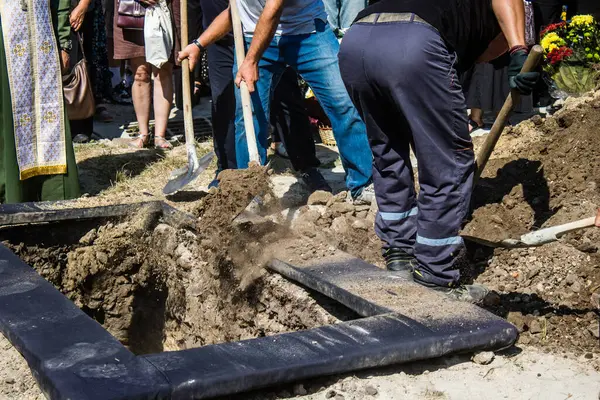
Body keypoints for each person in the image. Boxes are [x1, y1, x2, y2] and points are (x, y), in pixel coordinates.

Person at [338, 0, 539, 302]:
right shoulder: (512, 14)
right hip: (413, 43)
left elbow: (479, 54)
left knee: (388, 150)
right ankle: (435, 274)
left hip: (357, 42)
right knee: (449, 161)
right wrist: (518, 49)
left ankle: (400, 253)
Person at [179, 0, 374, 203]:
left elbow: (273, 8)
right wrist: (198, 44)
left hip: (308, 32)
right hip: (252, 35)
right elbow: (235, 11)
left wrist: (251, 60)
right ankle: (250, 194)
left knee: (343, 102)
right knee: (247, 116)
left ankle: (363, 184)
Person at [0, 0, 81, 203]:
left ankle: (53, 188)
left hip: (42, 35)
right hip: (7, 36)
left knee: (48, 114)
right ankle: (13, 187)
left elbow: (61, 3)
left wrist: (64, 43)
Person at [113, 0, 180, 149]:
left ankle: (160, 136)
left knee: (162, 70)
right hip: (133, 9)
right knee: (140, 73)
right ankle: (143, 134)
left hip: (165, 6)